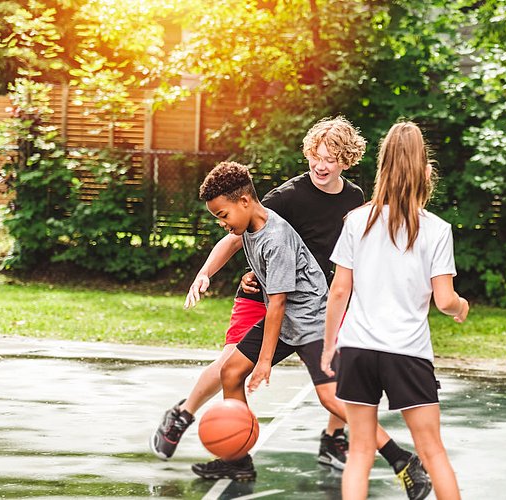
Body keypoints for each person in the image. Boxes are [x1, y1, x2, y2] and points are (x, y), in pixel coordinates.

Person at [151, 117, 428, 497]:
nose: (320, 164)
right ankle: (232, 456)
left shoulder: (349, 199)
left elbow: (347, 249)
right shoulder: (284, 198)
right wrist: (208, 272)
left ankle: (401, 460)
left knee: (332, 395)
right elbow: (243, 239)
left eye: (330, 157)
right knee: (231, 370)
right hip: (282, 299)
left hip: (309, 311)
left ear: (345, 160)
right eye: (315, 155)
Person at [321, 121, 469, 500]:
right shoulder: (435, 229)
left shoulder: (356, 221)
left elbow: (339, 290)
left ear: (381, 168)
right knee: (433, 452)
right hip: (406, 352)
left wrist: (328, 347)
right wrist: (460, 306)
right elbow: (444, 299)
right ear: (426, 172)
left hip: (357, 349)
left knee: (359, 454)